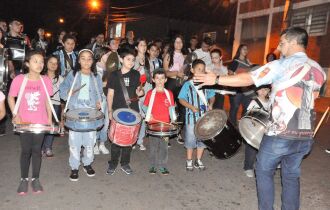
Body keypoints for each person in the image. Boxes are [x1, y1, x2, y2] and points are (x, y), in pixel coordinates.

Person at [193, 27, 326, 210]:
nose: (279, 47)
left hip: (281, 132)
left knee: (263, 171)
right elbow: (315, 96)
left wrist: (216, 79)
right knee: (291, 176)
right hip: (304, 136)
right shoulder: (319, 70)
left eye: (283, 42)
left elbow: (248, 78)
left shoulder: (283, 64)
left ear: (294, 42)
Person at [8, 50, 53, 195]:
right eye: (35, 61)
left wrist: (50, 119)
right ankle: (23, 179)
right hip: (24, 122)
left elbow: (47, 101)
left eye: (41, 61)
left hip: (40, 122)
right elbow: (10, 97)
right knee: (26, 151)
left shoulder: (45, 80)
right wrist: (15, 114)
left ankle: (35, 179)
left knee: (37, 151)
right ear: (27, 63)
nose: (40, 64)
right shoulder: (19, 79)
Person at [60, 49, 103, 181]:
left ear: (93, 61)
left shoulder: (96, 77)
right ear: (78, 60)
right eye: (83, 58)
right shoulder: (72, 75)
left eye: (89, 59)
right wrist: (68, 93)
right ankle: (74, 166)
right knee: (74, 141)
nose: (86, 61)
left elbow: (99, 93)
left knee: (90, 141)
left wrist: (98, 103)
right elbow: (63, 90)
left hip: (90, 111)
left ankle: (87, 163)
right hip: (74, 109)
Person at [106, 48, 144, 175]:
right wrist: (110, 111)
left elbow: (139, 91)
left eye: (133, 60)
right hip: (117, 110)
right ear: (121, 59)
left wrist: (141, 92)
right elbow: (110, 94)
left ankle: (125, 163)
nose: (131, 62)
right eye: (128, 59)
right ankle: (113, 163)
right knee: (116, 139)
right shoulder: (114, 75)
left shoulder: (136, 74)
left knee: (129, 139)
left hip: (132, 110)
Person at [178, 59, 215, 171]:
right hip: (191, 118)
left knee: (202, 139)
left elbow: (212, 96)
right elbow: (181, 99)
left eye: (203, 70)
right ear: (192, 70)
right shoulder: (187, 85)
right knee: (190, 139)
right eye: (199, 69)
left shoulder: (206, 84)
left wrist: (211, 104)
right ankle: (189, 160)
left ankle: (198, 160)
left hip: (204, 118)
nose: (201, 72)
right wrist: (191, 107)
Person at [143, 69, 176, 175]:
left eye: (162, 78)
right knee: (153, 146)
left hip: (165, 126)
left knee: (164, 147)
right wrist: (149, 115)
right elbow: (144, 107)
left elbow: (171, 108)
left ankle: (163, 166)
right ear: (153, 80)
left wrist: (173, 120)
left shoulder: (169, 93)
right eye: (157, 78)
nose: (160, 80)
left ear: (166, 80)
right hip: (153, 125)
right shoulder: (150, 93)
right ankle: (152, 165)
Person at [243, 85, 271, 178]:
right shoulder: (254, 102)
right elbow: (249, 116)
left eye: (265, 89)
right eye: (261, 89)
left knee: (266, 149)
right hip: (255, 130)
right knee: (252, 149)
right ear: (256, 90)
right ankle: (248, 167)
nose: (263, 91)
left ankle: (264, 167)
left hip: (267, 130)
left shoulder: (271, 102)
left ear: (269, 91)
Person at [163, 35, 186, 144]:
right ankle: (166, 135)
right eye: (176, 42)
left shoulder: (184, 56)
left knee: (183, 110)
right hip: (170, 84)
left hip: (181, 84)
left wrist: (185, 75)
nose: (179, 44)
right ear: (173, 43)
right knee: (169, 110)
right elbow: (165, 72)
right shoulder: (168, 55)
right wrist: (176, 73)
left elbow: (185, 72)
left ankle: (177, 132)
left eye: (180, 42)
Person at [42, 56, 64, 157]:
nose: (53, 65)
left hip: (55, 104)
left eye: (56, 63)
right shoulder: (41, 77)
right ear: (46, 63)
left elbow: (64, 94)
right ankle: (40, 147)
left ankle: (48, 147)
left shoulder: (61, 78)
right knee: (42, 126)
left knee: (51, 126)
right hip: (42, 104)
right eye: (51, 62)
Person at [228, 44, 253, 126]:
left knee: (246, 108)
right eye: (243, 49)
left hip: (247, 89)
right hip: (237, 89)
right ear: (239, 50)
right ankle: (232, 125)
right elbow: (230, 73)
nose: (245, 50)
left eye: (246, 49)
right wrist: (237, 78)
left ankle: (242, 125)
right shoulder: (235, 61)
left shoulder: (248, 62)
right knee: (235, 107)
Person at [93, 47, 111, 155]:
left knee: (106, 121)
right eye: (107, 55)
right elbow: (96, 84)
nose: (109, 57)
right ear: (100, 55)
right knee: (97, 121)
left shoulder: (110, 68)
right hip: (98, 99)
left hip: (108, 97)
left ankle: (102, 143)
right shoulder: (93, 69)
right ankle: (94, 143)